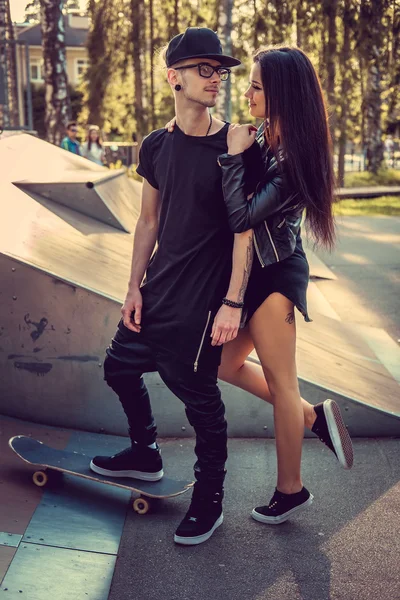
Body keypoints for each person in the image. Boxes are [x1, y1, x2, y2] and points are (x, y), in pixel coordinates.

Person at [89, 27, 253, 546]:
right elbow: (148, 222)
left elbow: (243, 229)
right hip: (157, 290)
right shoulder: (155, 146)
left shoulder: (234, 143)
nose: (216, 79)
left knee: (201, 400)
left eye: (219, 70)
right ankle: (145, 453)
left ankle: (210, 501)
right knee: (118, 368)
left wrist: (232, 302)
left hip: (202, 301)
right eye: (204, 69)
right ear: (173, 78)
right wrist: (132, 287)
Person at [216, 46, 354, 524]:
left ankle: (290, 489)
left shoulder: (295, 157)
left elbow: (242, 215)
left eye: (256, 85)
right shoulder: (261, 134)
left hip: (275, 276)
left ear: (281, 93)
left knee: (280, 381)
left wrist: (234, 161)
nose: (247, 92)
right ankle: (312, 418)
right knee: (225, 364)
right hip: (252, 273)